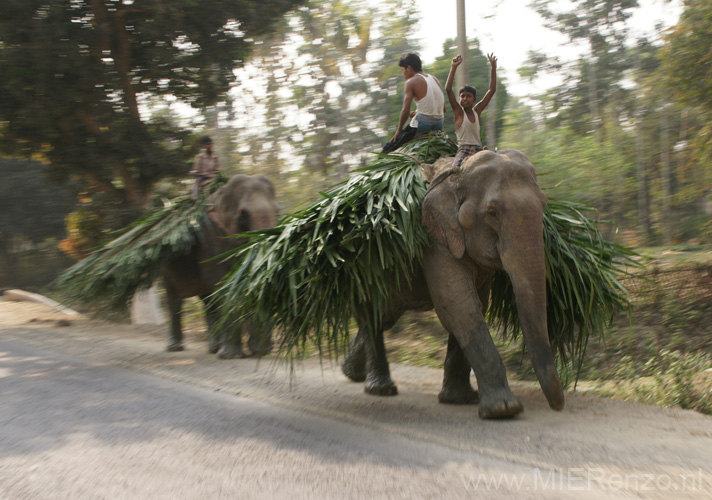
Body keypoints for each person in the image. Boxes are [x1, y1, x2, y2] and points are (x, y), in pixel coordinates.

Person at [382, 53, 446, 153]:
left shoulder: (411, 82)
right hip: (438, 125)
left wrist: (399, 131)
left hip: (421, 126)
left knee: (387, 150)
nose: (403, 74)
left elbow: (405, 110)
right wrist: (418, 112)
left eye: (403, 70)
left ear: (409, 68)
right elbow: (444, 109)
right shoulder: (434, 79)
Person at [445, 53, 497, 167]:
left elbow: (492, 90)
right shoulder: (458, 112)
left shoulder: (477, 111)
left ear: (474, 99)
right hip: (464, 150)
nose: (464, 99)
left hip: (478, 150)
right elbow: (448, 89)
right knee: (454, 171)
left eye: (468, 96)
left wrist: (493, 68)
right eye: (462, 96)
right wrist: (453, 67)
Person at [190, 135, 221, 200]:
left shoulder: (216, 156)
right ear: (203, 146)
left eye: (210, 144)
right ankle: (195, 198)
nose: (209, 146)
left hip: (214, 176)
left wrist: (217, 172)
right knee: (198, 182)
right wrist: (199, 173)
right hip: (203, 176)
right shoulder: (199, 157)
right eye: (207, 144)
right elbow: (194, 169)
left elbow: (217, 168)